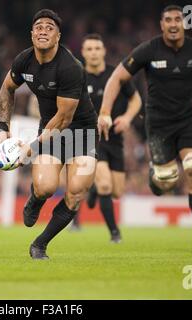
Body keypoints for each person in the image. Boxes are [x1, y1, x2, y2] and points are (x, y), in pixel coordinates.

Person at [98, 5, 192, 248]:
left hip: (187, 121)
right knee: (165, 181)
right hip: (158, 124)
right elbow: (117, 77)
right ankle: (156, 177)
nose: (173, 24)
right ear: (162, 25)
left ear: (184, 23)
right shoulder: (149, 50)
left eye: (177, 20)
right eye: (168, 20)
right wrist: (105, 112)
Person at [0, 9, 98, 259]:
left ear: (58, 36)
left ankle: (40, 244)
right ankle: (36, 197)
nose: (43, 30)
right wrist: (2, 130)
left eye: (49, 27)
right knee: (45, 187)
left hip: (81, 132)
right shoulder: (24, 60)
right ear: (31, 34)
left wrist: (29, 149)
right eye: (38, 27)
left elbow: (64, 118)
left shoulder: (70, 67)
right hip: (50, 129)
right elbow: (6, 89)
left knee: (75, 192)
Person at [70, 34, 142, 242]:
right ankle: (114, 232)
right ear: (83, 53)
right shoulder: (77, 76)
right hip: (89, 139)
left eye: (97, 48)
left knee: (117, 192)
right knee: (105, 185)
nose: (93, 52)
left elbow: (136, 100)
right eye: (89, 49)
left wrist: (127, 118)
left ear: (104, 51)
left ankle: (92, 191)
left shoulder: (116, 75)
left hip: (115, 139)